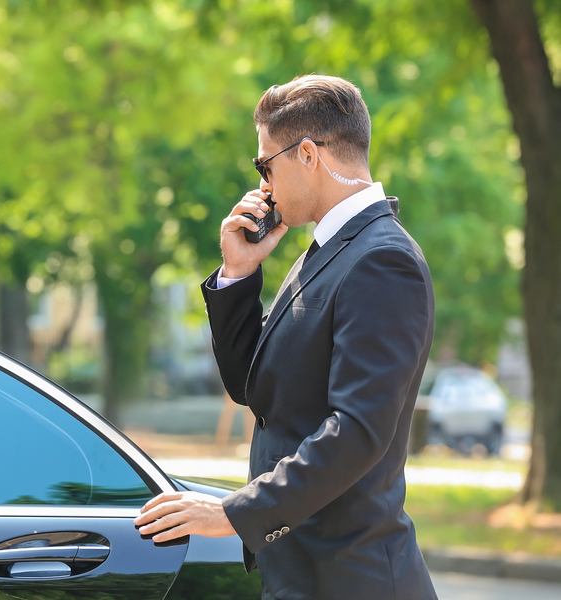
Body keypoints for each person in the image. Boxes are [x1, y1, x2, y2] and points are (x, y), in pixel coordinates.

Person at [134, 75, 437, 600]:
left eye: (264, 164)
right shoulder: (326, 251)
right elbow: (253, 391)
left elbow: (359, 430)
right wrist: (239, 274)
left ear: (308, 156)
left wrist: (234, 512)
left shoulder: (382, 260)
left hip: (352, 579)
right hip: (302, 575)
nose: (264, 186)